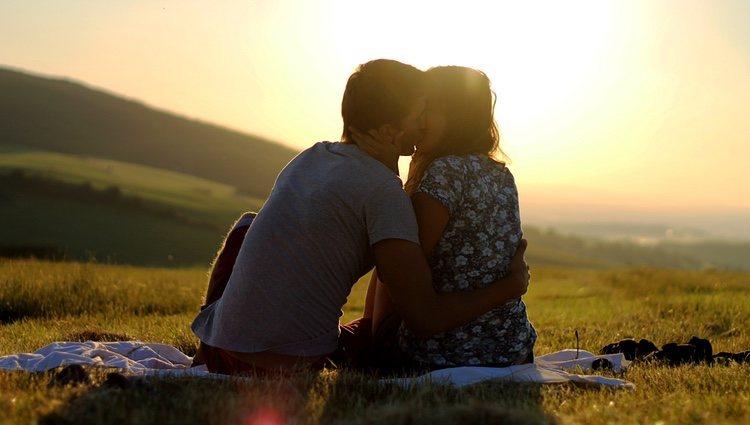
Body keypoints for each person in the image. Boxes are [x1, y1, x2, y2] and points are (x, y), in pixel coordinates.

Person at [190, 59, 531, 374]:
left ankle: (206, 347)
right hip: (285, 364)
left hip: (224, 351)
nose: (422, 124)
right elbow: (418, 311)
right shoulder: (387, 193)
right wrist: (511, 287)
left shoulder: (309, 158)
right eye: (418, 114)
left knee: (247, 226)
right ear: (389, 131)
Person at [360, 66, 537, 369]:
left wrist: (374, 336)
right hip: (513, 349)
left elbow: (397, 270)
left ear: (454, 116)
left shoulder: (443, 174)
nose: (417, 121)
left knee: (391, 251)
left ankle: (371, 341)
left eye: (426, 109)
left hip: (443, 354)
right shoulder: (502, 175)